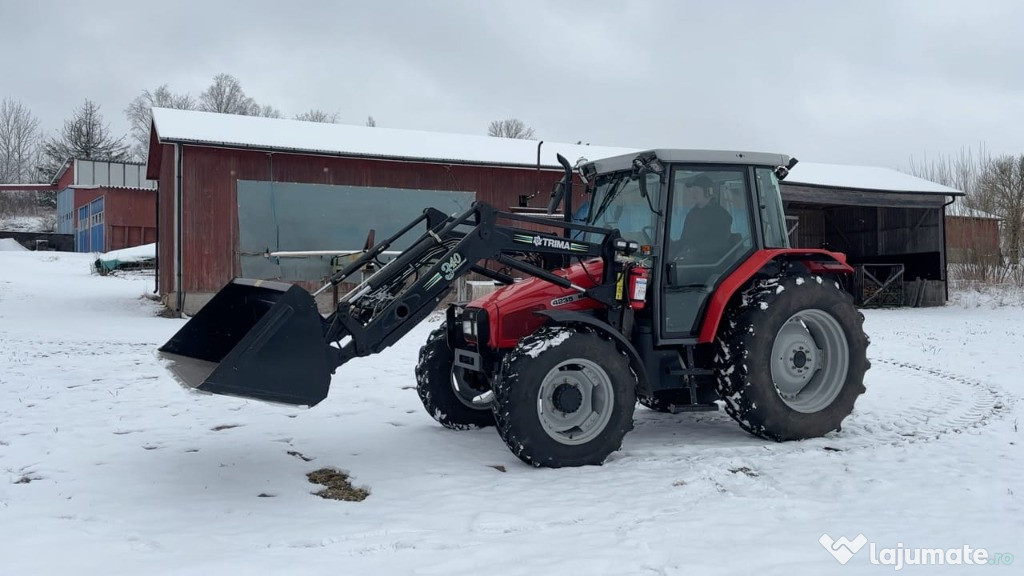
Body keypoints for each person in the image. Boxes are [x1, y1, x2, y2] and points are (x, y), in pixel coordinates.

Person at [676, 175, 733, 263]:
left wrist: (695, 250)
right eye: (692, 191)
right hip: (692, 258)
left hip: (712, 262)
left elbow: (719, 243)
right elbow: (684, 239)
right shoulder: (692, 214)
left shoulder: (720, 215)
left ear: (708, 192)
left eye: (697, 191)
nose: (693, 194)